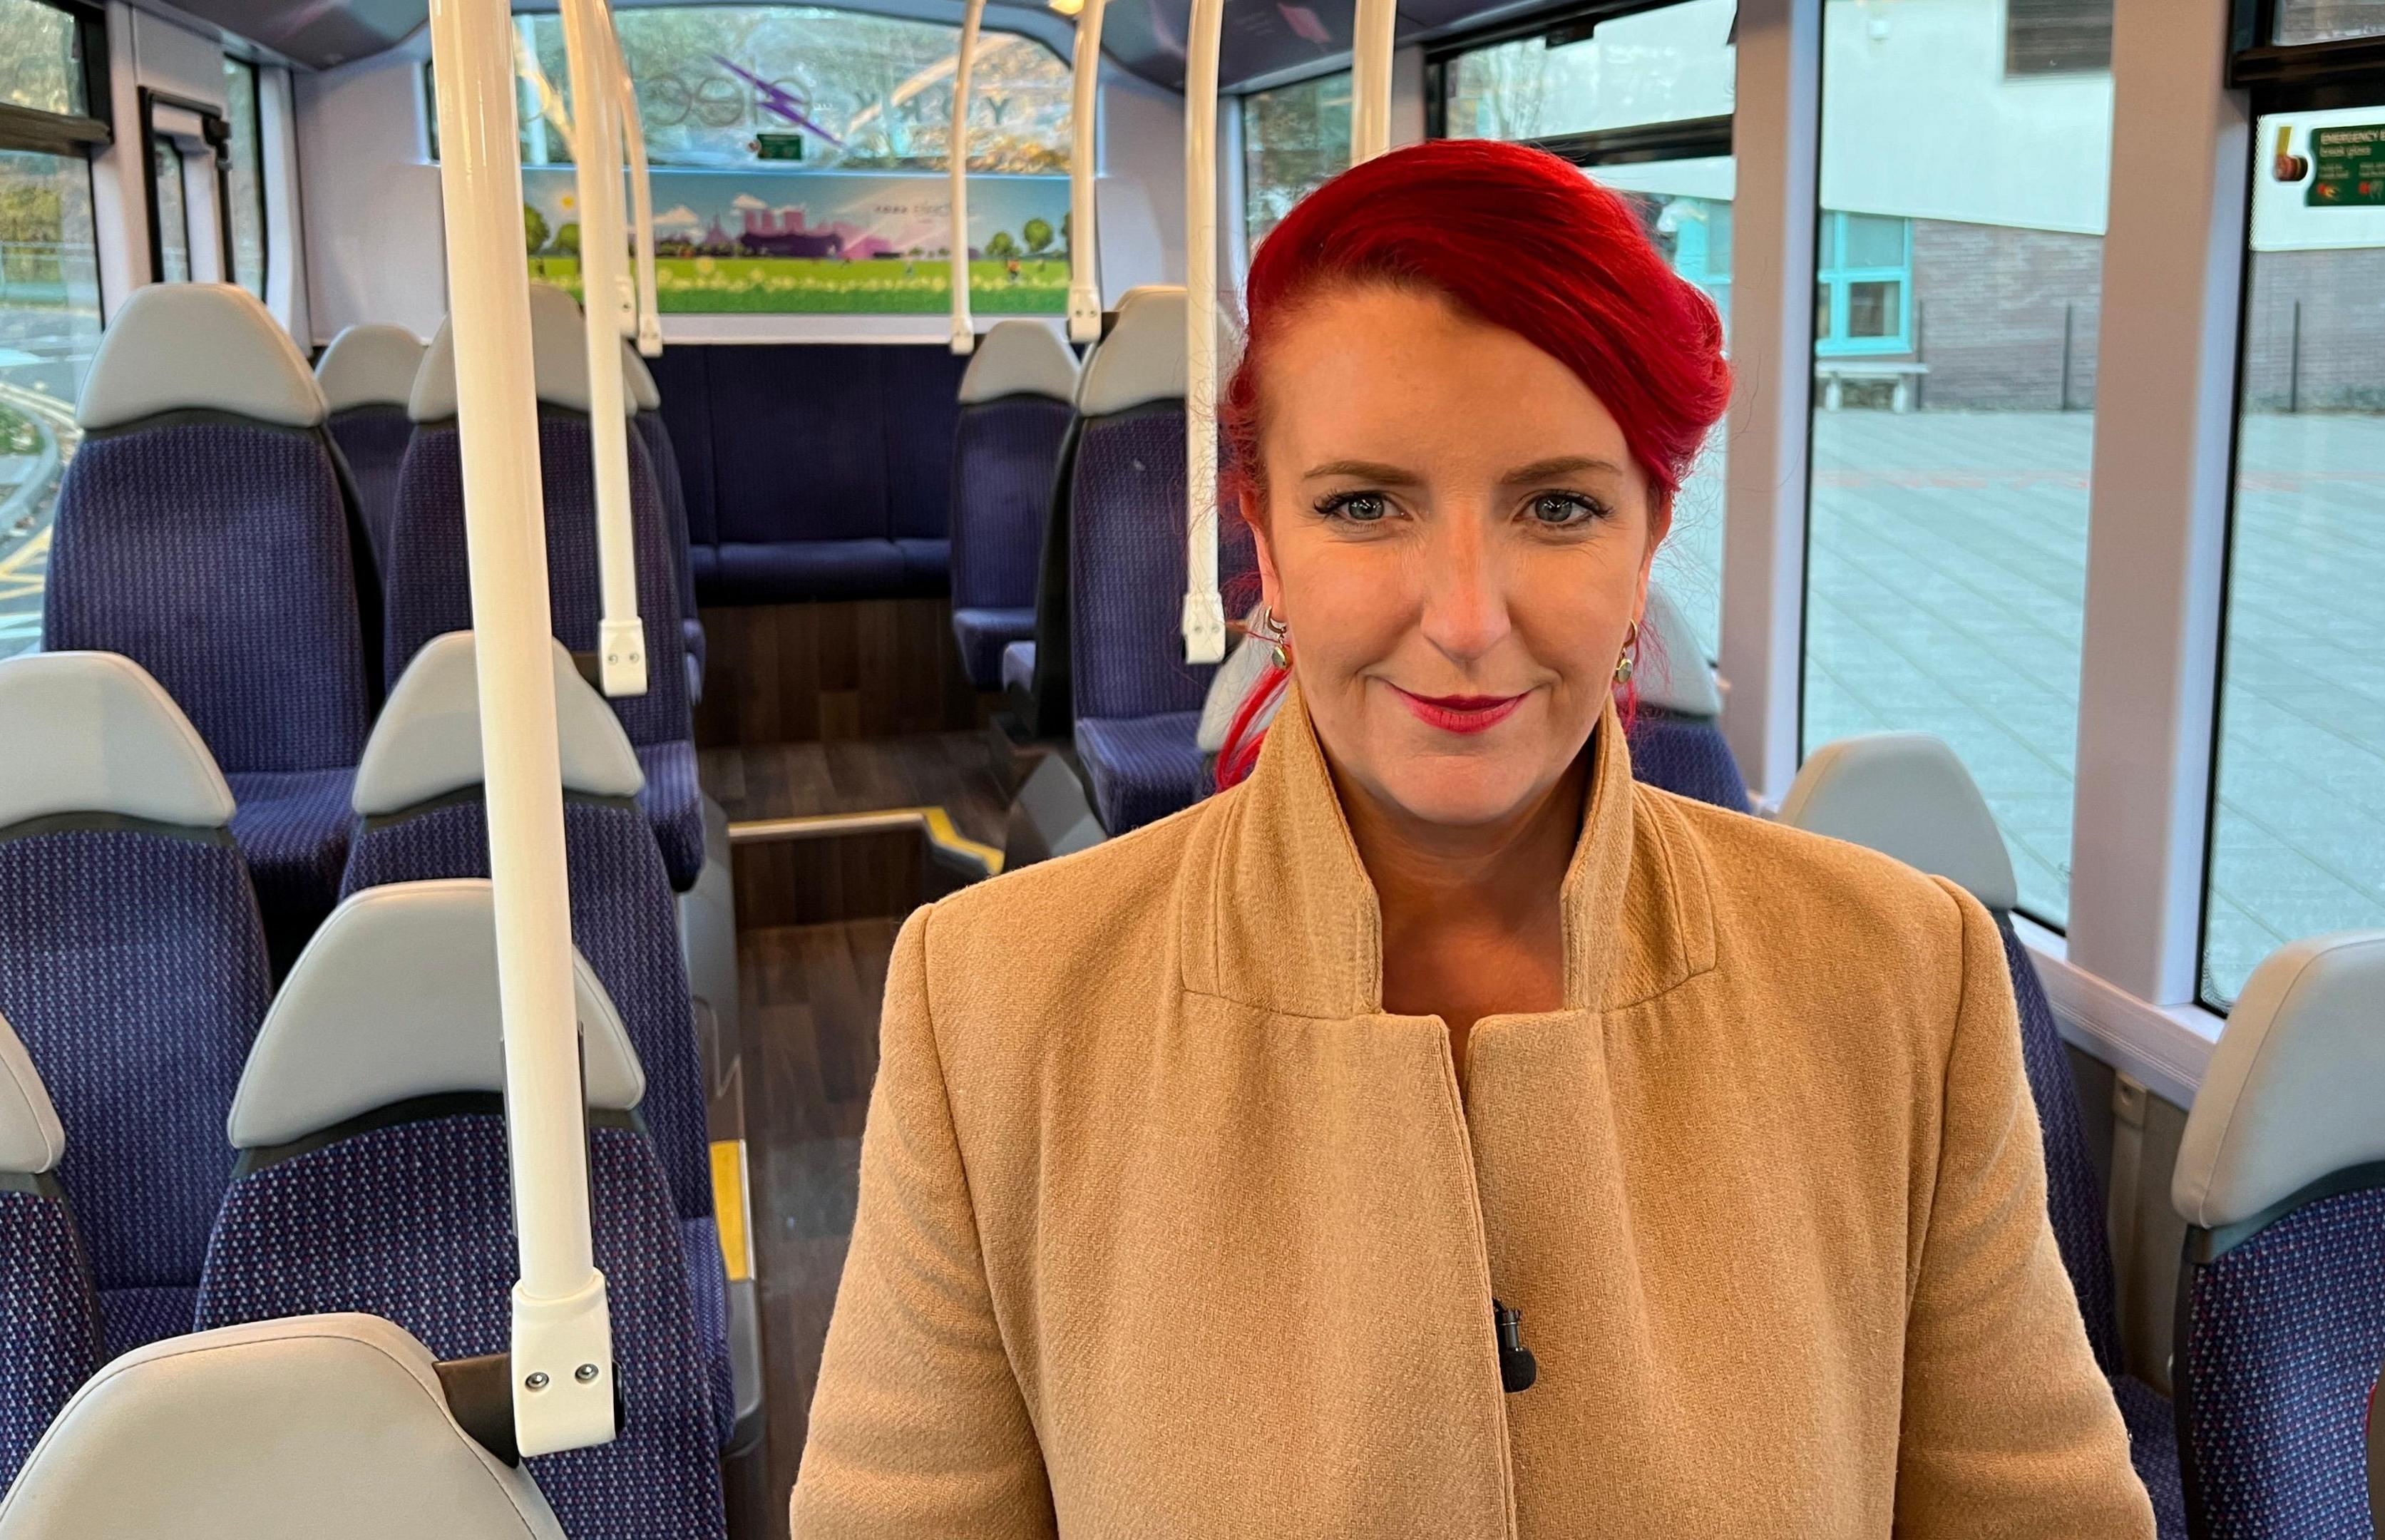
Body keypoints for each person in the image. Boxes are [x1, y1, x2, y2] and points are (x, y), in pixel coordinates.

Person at [792, 139, 2153, 1538]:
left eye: (1557, 506)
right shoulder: (997, 1002)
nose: (1461, 620)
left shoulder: (1904, 978)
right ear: (1261, 530)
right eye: (1365, 506)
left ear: (1649, 537)